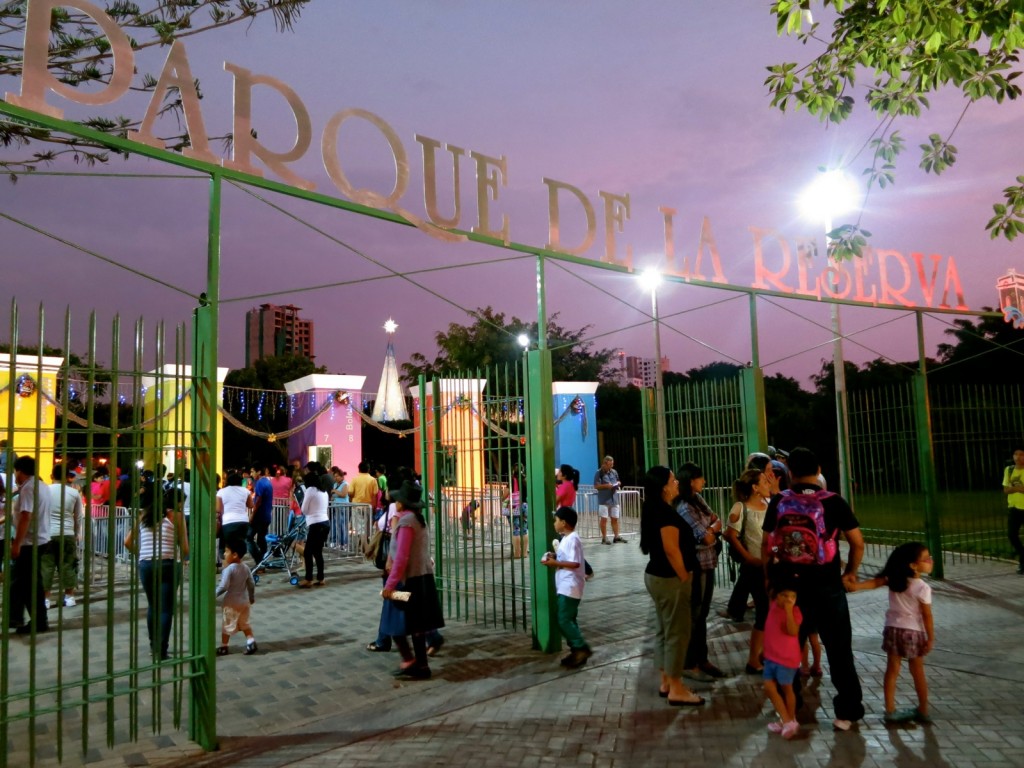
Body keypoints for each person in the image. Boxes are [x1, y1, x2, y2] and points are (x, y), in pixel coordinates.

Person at [762, 446, 866, 731]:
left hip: (789, 590)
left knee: (787, 651)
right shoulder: (834, 502)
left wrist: (769, 579)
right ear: (819, 471)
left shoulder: (779, 501)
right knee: (839, 650)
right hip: (827, 587)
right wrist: (850, 573)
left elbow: (767, 545)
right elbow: (857, 542)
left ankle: (791, 710)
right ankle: (847, 711)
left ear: (790, 473)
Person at [639, 465, 704, 706]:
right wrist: (684, 576)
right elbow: (670, 548)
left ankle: (666, 681)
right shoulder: (664, 513)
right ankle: (677, 687)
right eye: (673, 480)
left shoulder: (654, 508)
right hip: (670, 578)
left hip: (657, 576)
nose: (677, 483)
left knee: (664, 630)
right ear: (664, 486)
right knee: (677, 632)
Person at [849, 542, 935, 724]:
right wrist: (930, 638)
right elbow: (927, 616)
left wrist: (856, 586)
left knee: (892, 670)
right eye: (926, 559)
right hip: (914, 632)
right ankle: (923, 709)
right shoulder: (923, 588)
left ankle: (890, 709)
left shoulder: (894, 579)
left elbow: (873, 583)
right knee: (917, 671)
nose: (930, 561)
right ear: (913, 565)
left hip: (893, 630)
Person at [381, 481, 446, 679]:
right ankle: (420, 665)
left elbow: (401, 558)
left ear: (403, 502)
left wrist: (390, 586)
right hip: (422, 579)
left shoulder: (406, 523)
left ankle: (411, 662)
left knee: (394, 620)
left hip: (408, 581)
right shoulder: (418, 520)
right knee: (417, 625)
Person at [675, 462, 726, 680]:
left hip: (709, 561)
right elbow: (705, 536)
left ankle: (701, 658)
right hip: (697, 566)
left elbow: (717, 521)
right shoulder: (685, 506)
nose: (704, 481)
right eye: (700, 478)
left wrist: (711, 529)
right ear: (691, 481)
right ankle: (689, 662)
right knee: (694, 614)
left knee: (702, 613)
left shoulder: (698, 500)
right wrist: (712, 529)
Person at [124, 489, 188, 660]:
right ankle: (162, 650)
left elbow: (127, 542)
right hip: (168, 563)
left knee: (153, 605)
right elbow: (185, 548)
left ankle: (153, 646)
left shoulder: (144, 516)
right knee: (166, 609)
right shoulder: (177, 516)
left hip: (146, 564)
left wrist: (142, 554)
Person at [723, 468, 771, 673]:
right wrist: (748, 557)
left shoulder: (769, 504)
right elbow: (729, 534)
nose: (768, 484)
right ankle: (754, 659)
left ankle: (765, 654)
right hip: (754, 568)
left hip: (768, 565)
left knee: (769, 612)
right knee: (764, 612)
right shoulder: (740, 507)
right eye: (764, 481)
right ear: (755, 487)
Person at [542, 507, 591, 668]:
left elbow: (575, 563)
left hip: (570, 586)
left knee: (563, 619)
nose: (554, 523)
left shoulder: (573, 539)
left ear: (564, 523)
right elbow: (568, 558)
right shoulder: (566, 538)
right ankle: (576, 651)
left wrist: (555, 563)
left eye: (556, 520)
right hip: (566, 585)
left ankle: (580, 647)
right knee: (569, 619)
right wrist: (555, 557)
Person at [9, 456, 52, 634]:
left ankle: (39, 622)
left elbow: (26, 516)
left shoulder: (28, 488)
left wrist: (17, 544)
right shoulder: (41, 486)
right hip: (40, 539)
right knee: (22, 582)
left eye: (15, 472)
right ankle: (16, 617)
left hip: (29, 542)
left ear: (20, 470)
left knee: (29, 585)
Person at [762, 578, 802, 740]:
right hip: (771, 657)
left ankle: (790, 719)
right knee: (769, 687)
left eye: (792, 596)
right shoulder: (772, 606)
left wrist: (788, 611)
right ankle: (786, 720)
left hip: (786, 659)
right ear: (776, 596)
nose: (788, 599)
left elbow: (792, 631)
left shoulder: (795, 612)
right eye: (784, 595)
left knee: (787, 689)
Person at [42, 464, 84, 610]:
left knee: (46, 567)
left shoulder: (44, 491)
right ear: (67, 477)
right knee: (68, 565)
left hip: (47, 534)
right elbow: (79, 516)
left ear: (51, 476)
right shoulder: (74, 493)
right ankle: (70, 597)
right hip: (67, 533)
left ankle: (45, 599)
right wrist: (78, 533)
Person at [216, 538, 257, 656]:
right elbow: (251, 583)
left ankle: (224, 646)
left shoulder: (229, 569)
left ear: (235, 555)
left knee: (227, 624)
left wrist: (213, 595)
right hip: (244, 601)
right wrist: (251, 596)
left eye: (226, 551)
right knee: (244, 623)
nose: (224, 554)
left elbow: (223, 587)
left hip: (231, 602)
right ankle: (251, 641)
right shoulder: (245, 567)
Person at [298, 471, 329, 588]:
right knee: (318, 551)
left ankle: (308, 579)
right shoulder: (324, 491)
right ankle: (321, 578)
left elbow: (304, 509)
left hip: (315, 523)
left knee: (308, 552)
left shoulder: (311, 490)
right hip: (325, 522)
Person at [216, 472, 252, 563]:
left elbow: (218, 509)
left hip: (228, 522)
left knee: (229, 547)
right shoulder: (245, 491)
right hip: (243, 522)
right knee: (239, 546)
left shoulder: (221, 492)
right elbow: (251, 505)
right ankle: (238, 565)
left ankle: (229, 566)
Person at [1002, 446, 1024, 574]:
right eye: (1016, 454)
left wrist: (1014, 488)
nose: (1018, 457)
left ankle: (1023, 563)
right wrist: (1018, 489)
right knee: (1012, 535)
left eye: (1021, 454)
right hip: (1014, 507)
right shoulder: (1009, 470)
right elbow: (1006, 490)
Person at [594, 455, 625, 544]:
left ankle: (616, 537)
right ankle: (604, 538)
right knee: (604, 519)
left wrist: (618, 483)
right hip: (604, 500)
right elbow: (596, 486)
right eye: (610, 465)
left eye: (612, 464)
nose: (611, 466)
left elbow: (618, 480)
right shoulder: (599, 473)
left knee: (615, 518)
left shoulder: (614, 472)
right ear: (604, 464)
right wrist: (606, 486)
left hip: (614, 499)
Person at [249, 467, 274, 568]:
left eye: (252, 471)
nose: (251, 474)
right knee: (261, 539)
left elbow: (258, 500)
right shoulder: (268, 483)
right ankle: (262, 561)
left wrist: (252, 514)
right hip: (266, 515)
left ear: (259, 471)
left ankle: (259, 560)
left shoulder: (260, 483)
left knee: (248, 537)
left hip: (259, 516)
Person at [329, 467, 350, 547]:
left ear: (342, 476)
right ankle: (335, 541)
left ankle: (343, 543)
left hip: (343, 507)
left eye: (337, 476)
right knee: (335, 524)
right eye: (334, 476)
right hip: (335, 506)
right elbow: (334, 495)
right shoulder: (335, 484)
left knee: (342, 525)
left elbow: (344, 494)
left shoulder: (345, 484)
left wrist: (335, 491)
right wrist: (333, 496)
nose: (335, 478)